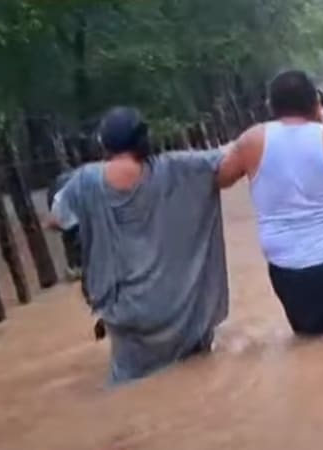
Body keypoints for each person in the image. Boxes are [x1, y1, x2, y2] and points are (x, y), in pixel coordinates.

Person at [48, 107, 229, 385]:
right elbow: (229, 159)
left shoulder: (85, 181)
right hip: (182, 305)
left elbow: (57, 220)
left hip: (128, 315)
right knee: (199, 375)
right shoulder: (178, 167)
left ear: (104, 143)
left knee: (131, 387)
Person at [218, 70, 323, 336]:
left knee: (309, 342)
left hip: (287, 268)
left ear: (271, 106)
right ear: (316, 103)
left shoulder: (251, 141)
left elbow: (221, 179)